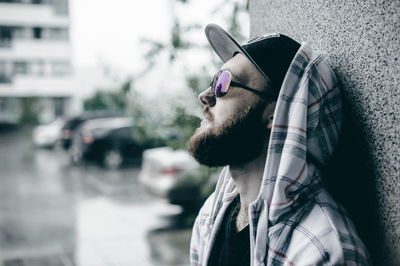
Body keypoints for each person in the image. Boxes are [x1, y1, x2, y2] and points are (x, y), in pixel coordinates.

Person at [188, 24, 370, 266]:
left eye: (224, 83)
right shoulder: (211, 215)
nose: (205, 94)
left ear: (275, 115)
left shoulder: (322, 251)